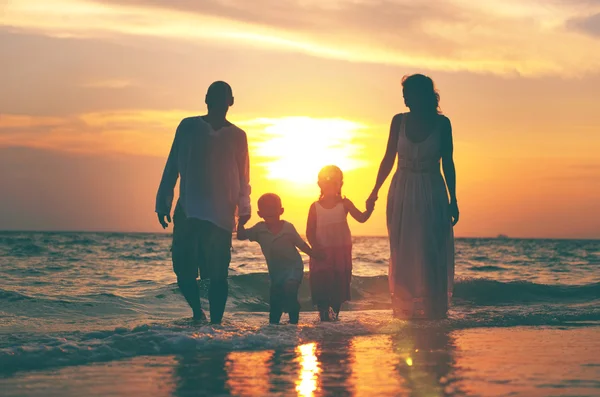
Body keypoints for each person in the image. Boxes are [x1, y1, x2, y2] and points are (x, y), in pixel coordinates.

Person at [155, 81, 251, 324]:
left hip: (221, 216)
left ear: (231, 102)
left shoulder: (238, 136)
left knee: (218, 276)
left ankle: (216, 326)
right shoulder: (188, 126)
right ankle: (197, 312)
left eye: (223, 97)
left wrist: (245, 209)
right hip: (188, 211)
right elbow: (172, 165)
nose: (219, 102)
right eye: (214, 96)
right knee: (183, 270)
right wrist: (163, 200)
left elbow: (243, 176)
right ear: (206, 99)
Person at [367, 74, 458, 320]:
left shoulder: (443, 124)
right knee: (403, 250)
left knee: (430, 250)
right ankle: (406, 311)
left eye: (409, 93)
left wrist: (454, 199)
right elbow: (388, 158)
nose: (405, 99)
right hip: (403, 190)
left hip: (432, 190)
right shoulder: (399, 121)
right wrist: (374, 191)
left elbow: (448, 162)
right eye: (404, 95)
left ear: (423, 95)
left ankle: (433, 311)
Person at [237, 193, 321, 324]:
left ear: (281, 210)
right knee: (275, 302)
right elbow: (241, 236)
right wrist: (241, 222)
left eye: (273, 208)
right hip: (276, 272)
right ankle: (273, 329)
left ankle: (293, 324)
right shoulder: (259, 229)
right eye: (266, 208)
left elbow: (301, 244)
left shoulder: (288, 227)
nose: (269, 211)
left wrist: (315, 255)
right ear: (260, 213)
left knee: (290, 289)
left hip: (294, 267)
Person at [307, 165, 373, 321]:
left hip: (341, 252)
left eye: (334, 182)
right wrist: (315, 248)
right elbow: (309, 232)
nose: (330, 185)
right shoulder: (314, 207)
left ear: (340, 184)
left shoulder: (345, 204)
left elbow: (362, 218)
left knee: (337, 288)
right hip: (321, 252)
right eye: (326, 181)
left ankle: (334, 319)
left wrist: (370, 207)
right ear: (319, 184)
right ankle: (324, 319)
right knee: (322, 286)